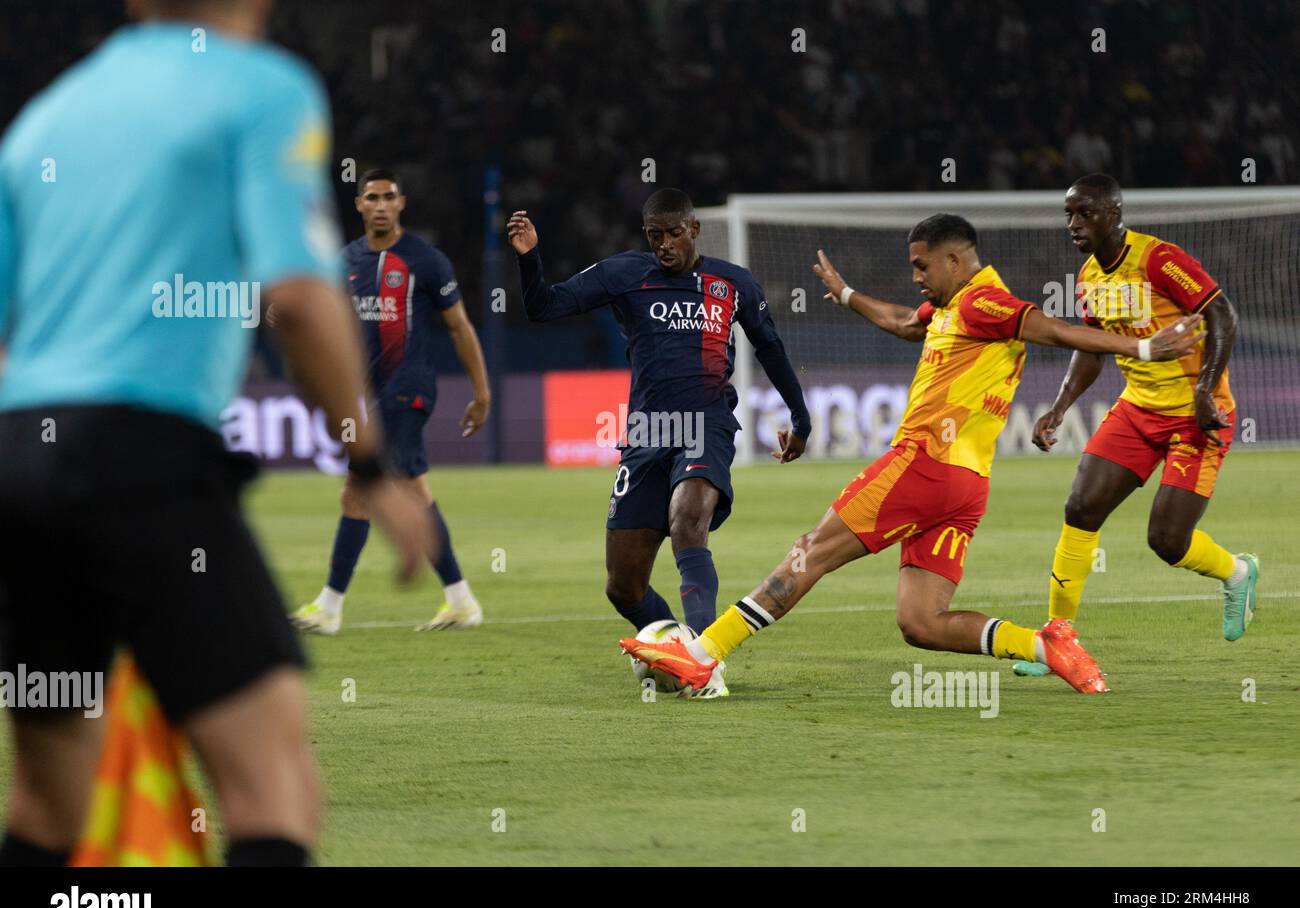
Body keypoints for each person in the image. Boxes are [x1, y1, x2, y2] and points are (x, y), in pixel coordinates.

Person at [0, 0, 430, 866]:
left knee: (51, 801)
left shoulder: (47, 116)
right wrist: (372, 463)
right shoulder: (261, 88)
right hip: (141, 453)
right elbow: (301, 297)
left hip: (18, 460)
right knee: (271, 787)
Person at [622, 214, 1200, 696]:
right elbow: (903, 321)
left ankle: (702, 654)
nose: (917, 277)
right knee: (921, 622)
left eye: (922, 266)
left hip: (922, 463)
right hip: (966, 487)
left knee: (810, 552)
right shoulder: (952, 308)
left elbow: (1051, 328)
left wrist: (1143, 346)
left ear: (955, 260)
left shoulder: (984, 303)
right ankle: (1044, 644)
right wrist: (846, 294)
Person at [508, 188, 811, 698]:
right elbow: (543, 307)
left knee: (688, 521)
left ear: (694, 229)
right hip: (647, 432)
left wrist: (799, 419)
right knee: (622, 585)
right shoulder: (625, 273)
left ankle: (703, 663)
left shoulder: (732, 283)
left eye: (674, 233)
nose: (665, 244)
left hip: (706, 422)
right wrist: (530, 258)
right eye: (655, 236)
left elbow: (772, 349)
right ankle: (679, 644)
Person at [1034, 174, 1257, 641]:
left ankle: (1236, 572)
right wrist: (1059, 406)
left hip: (1199, 415)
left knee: (1167, 541)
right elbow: (1092, 347)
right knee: (1080, 507)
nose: (1074, 223)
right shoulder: (1090, 276)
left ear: (1114, 214)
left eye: (1085, 213)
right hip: (1137, 410)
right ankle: (1057, 635)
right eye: (1068, 215)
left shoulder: (1157, 259)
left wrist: (1204, 391)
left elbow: (1222, 314)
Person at [291, 168, 490, 634]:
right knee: (416, 491)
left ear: (401, 204)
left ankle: (330, 606)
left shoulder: (426, 260)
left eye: (389, 197)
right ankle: (461, 599)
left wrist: (481, 391)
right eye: (371, 197)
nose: (380, 205)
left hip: (409, 388)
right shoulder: (343, 262)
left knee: (358, 487)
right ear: (359, 205)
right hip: (372, 396)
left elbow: (460, 327)